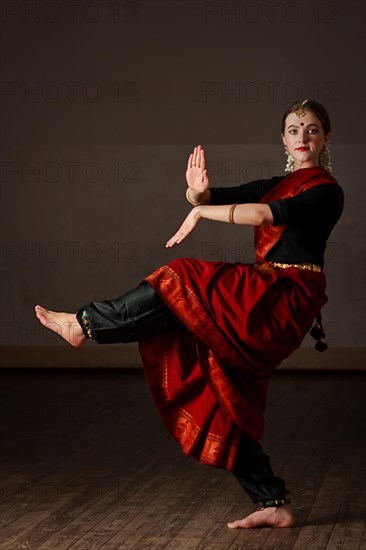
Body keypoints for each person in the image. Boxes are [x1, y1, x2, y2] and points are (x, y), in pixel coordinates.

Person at [35, 99, 344, 529]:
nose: (303, 138)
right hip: (265, 291)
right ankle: (271, 499)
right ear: (284, 141)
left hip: (284, 297)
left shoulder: (326, 190)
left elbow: (264, 215)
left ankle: (85, 323)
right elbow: (223, 196)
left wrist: (200, 212)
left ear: (326, 138)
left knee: (183, 277)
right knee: (220, 387)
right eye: (294, 131)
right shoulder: (277, 182)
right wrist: (197, 193)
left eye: (312, 130)